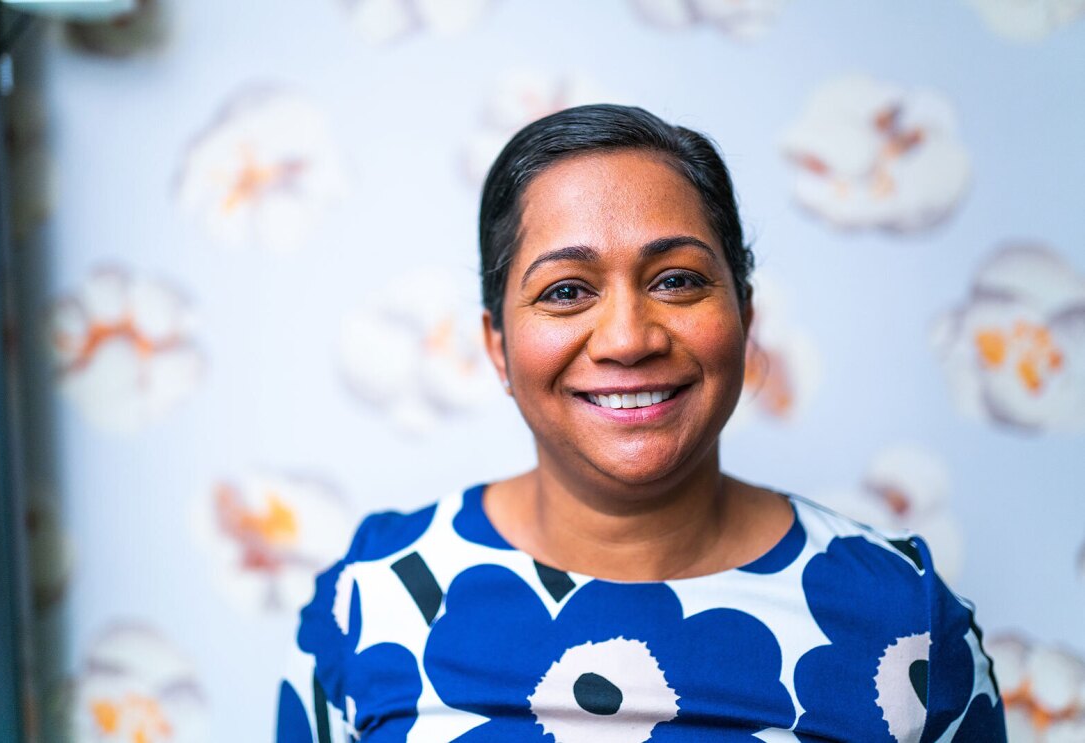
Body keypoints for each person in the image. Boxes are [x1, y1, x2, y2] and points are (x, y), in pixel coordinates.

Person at [276, 104, 1006, 742]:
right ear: (498, 344)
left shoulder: (901, 614)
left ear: (745, 317)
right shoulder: (371, 595)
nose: (628, 337)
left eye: (677, 280)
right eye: (565, 291)